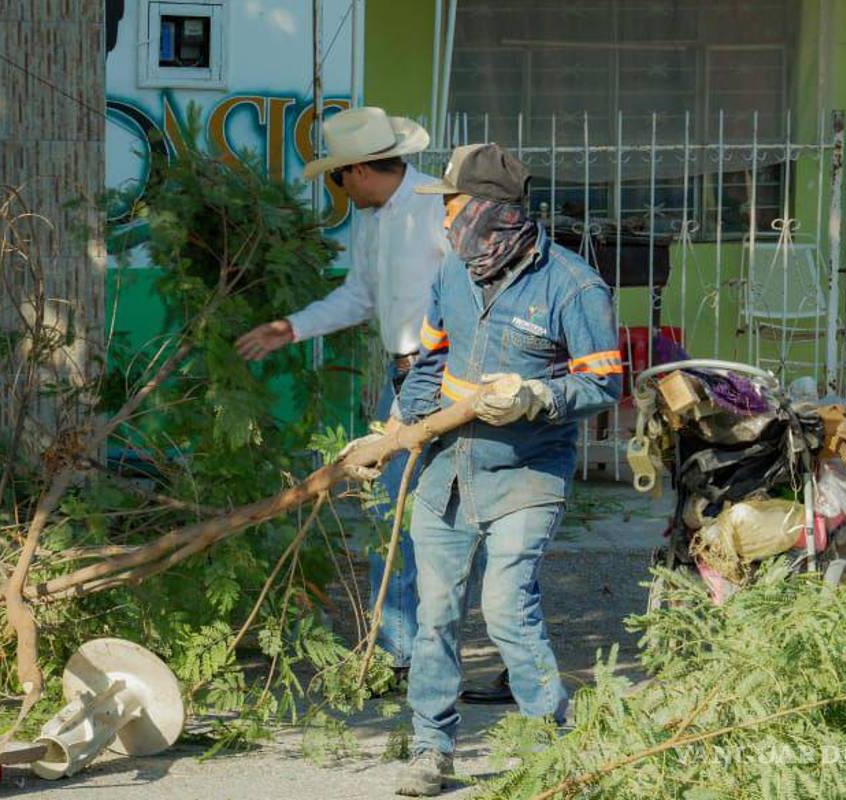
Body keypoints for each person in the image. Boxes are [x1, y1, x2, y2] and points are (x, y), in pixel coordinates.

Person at [391, 143, 622, 796]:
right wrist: (402, 428)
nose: (443, 218)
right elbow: (427, 361)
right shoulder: (451, 275)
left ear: (488, 211)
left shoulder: (573, 284)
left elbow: (604, 384)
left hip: (526, 474)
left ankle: (553, 746)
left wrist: (537, 396)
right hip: (447, 475)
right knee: (434, 615)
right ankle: (431, 750)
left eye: (453, 204)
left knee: (505, 608)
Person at [235, 106, 447, 680]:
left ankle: (408, 657)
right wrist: (291, 327)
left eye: (336, 176)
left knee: (411, 517)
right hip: (403, 374)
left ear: (356, 170)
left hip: (444, 373)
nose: (337, 189)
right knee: (388, 515)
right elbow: (359, 297)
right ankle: (400, 656)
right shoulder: (372, 221)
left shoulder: (438, 204)